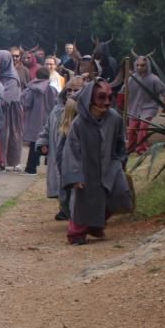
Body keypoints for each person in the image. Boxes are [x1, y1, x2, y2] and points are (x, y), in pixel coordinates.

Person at [60, 78, 132, 245]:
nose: (106, 102)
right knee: (84, 201)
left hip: (110, 166)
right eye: (101, 97)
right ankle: (77, 234)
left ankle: (96, 224)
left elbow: (120, 143)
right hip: (86, 169)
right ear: (90, 98)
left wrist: (119, 162)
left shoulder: (114, 118)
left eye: (109, 97)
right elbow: (71, 150)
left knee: (120, 193)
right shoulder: (79, 124)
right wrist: (75, 176)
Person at [38, 76, 84, 220]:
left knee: (75, 184)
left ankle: (74, 212)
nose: (71, 93)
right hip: (59, 154)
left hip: (76, 156)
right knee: (61, 183)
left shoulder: (85, 112)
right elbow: (47, 127)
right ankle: (64, 209)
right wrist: (43, 142)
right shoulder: (57, 110)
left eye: (76, 90)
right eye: (69, 90)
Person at [123, 54, 165, 154]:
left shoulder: (154, 79)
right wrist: (120, 101)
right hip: (134, 108)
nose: (140, 67)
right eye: (138, 65)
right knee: (131, 130)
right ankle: (131, 147)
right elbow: (123, 91)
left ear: (147, 65)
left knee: (143, 127)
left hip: (149, 108)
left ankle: (142, 148)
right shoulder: (131, 79)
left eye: (143, 65)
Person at [0, 49, 25, 171]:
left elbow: (6, 98)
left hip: (10, 112)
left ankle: (9, 161)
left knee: (9, 136)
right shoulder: (0, 74)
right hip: (1, 109)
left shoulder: (12, 78)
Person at [22, 66, 57, 174]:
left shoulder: (33, 89)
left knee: (34, 144)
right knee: (48, 142)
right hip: (49, 119)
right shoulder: (52, 89)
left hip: (35, 120)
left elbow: (26, 103)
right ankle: (50, 166)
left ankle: (31, 168)